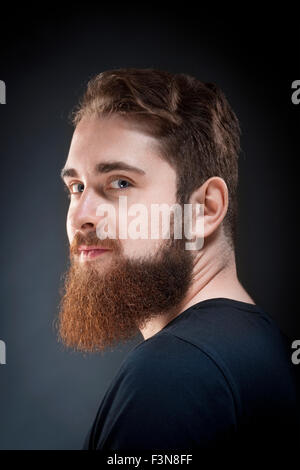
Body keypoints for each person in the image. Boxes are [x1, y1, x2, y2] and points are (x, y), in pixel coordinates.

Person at [57, 68, 299, 458]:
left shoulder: (171, 375)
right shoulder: (266, 347)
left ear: (204, 209)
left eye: (119, 182)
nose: (81, 214)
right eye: (76, 187)